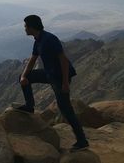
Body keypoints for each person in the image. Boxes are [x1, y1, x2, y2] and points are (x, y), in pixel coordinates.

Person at [15, 15, 89, 152]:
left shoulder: (49, 39)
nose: (24, 28)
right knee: (24, 77)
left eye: (26, 26)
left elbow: (64, 61)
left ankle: (82, 140)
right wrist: (24, 76)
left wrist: (66, 83)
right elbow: (32, 59)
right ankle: (30, 106)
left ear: (32, 27)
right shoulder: (38, 40)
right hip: (50, 74)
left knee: (66, 109)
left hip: (60, 78)